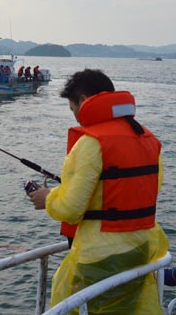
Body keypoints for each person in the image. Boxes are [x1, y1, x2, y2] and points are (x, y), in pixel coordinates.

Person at [29, 69, 169, 314]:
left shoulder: (91, 142)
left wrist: (48, 198)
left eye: (72, 108)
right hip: (142, 248)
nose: (74, 116)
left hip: (101, 255)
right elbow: (141, 190)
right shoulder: (147, 138)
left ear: (83, 100)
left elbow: (71, 209)